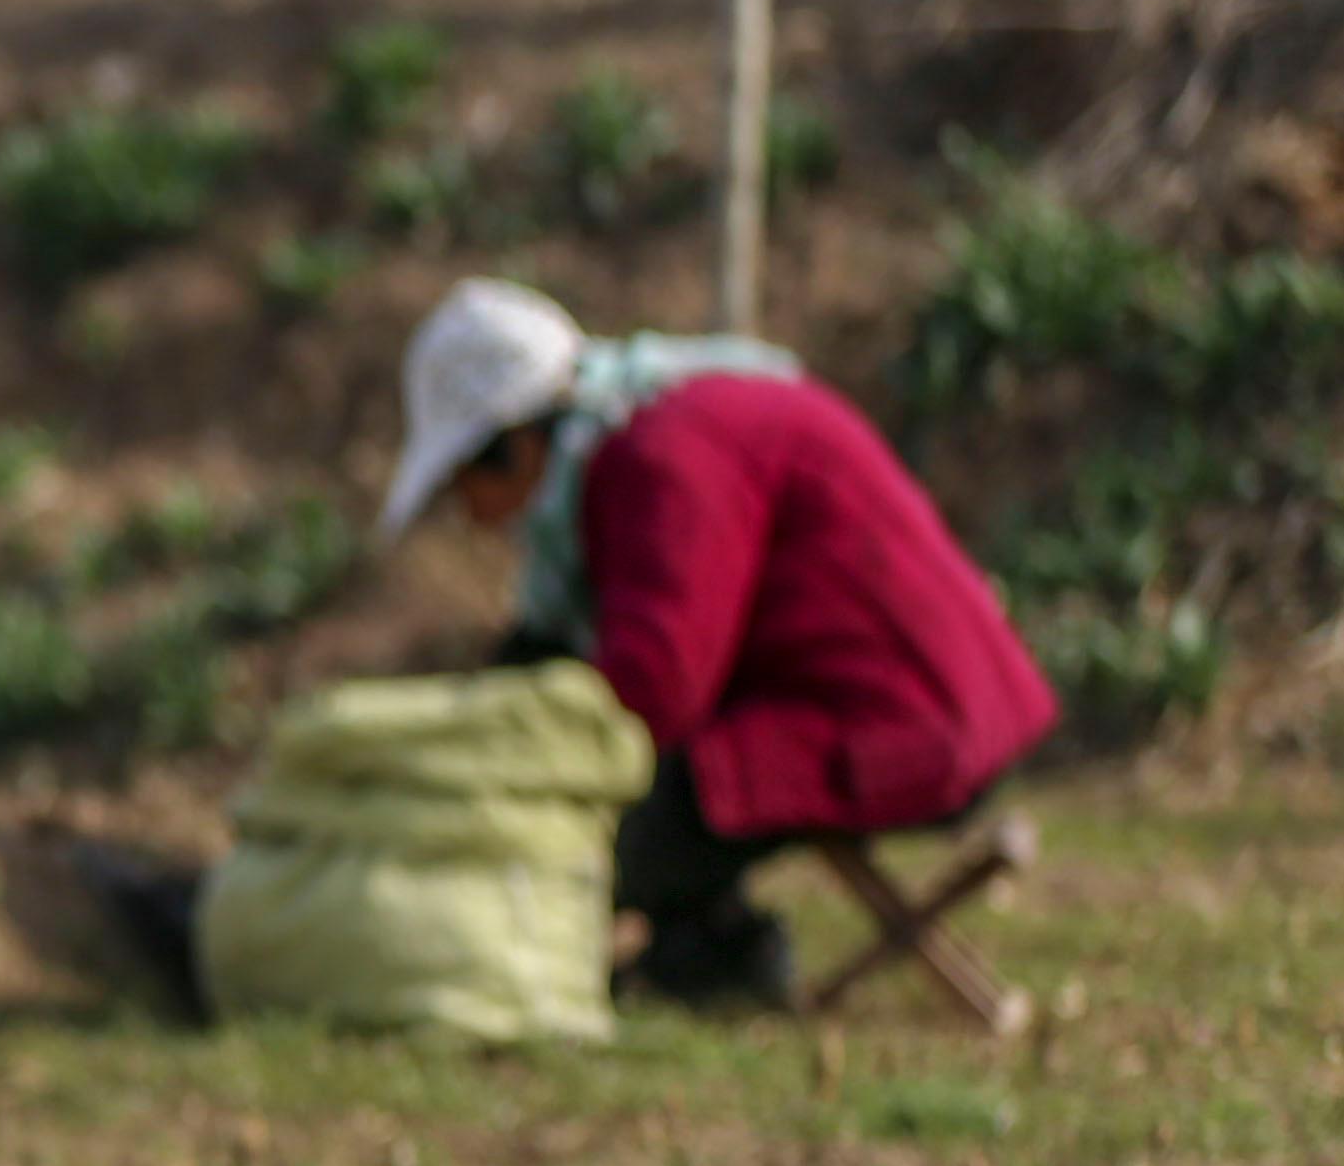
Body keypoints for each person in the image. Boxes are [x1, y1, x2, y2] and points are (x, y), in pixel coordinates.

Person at [377, 276, 1056, 1011]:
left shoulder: (664, 455)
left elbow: (659, 683)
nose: (466, 515)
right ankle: (703, 950)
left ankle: (719, 956)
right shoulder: (651, 436)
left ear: (512, 447)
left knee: (610, 836)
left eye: (459, 486)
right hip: (915, 704)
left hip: (905, 724)